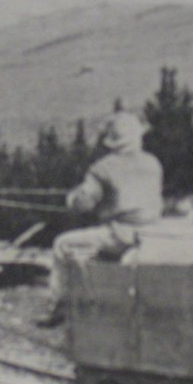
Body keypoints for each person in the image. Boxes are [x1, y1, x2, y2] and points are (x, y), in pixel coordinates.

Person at [37, 109, 163, 327]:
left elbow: (84, 203)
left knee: (62, 244)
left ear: (112, 142)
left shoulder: (103, 168)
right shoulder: (153, 163)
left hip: (120, 236)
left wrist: (72, 198)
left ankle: (59, 307)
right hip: (152, 233)